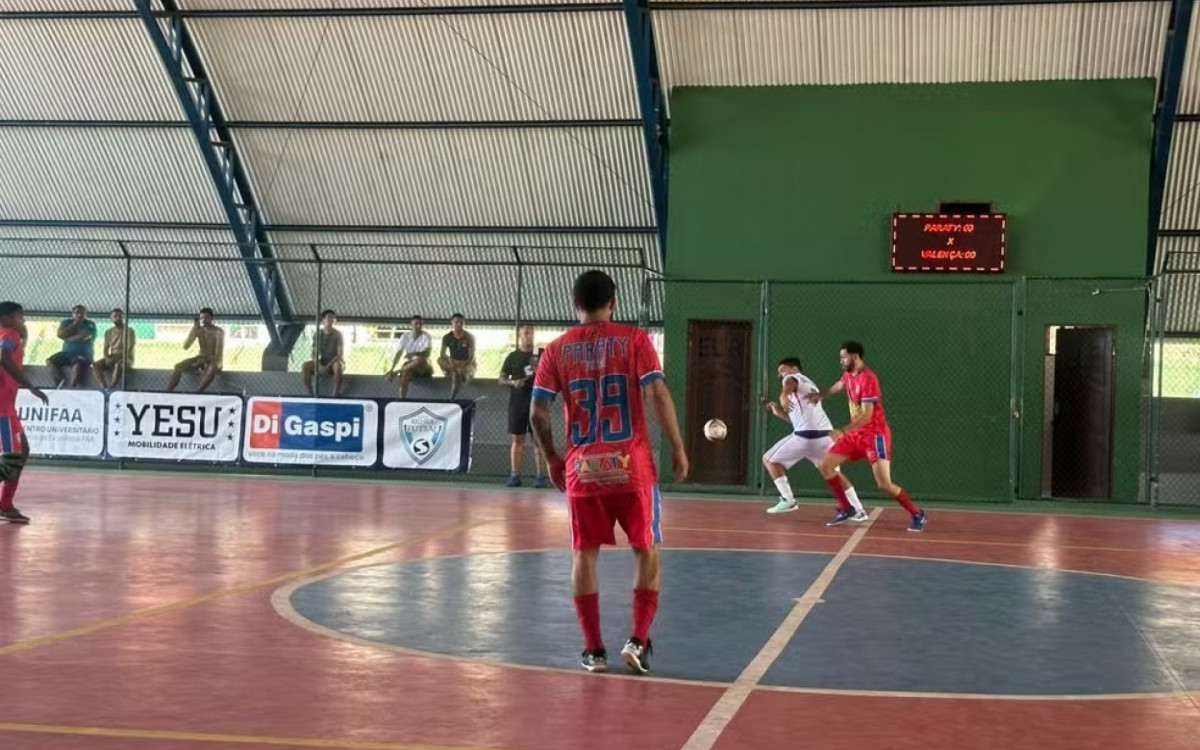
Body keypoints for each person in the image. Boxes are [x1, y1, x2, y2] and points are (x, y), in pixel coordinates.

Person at [530, 270, 688, 675]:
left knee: (584, 555)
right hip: (631, 466)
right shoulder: (635, 340)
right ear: (614, 302)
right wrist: (676, 446)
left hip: (583, 469)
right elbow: (656, 392)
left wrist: (551, 456)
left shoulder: (556, 350)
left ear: (574, 303)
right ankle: (637, 639)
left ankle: (594, 650)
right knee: (647, 549)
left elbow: (538, 412)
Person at [807, 341, 927, 531]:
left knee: (884, 484)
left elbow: (866, 416)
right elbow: (840, 384)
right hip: (856, 435)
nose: (841, 361)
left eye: (844, 357)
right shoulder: (848, 374)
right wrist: (821, 395)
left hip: (875, 436)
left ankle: (917, 514)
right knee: (825, 465)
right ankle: (847, 509)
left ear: (855, 357)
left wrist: (843, 431)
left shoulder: (868, 379)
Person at [762, 357, 866, 523]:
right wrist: (778, 411)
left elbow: (788, 386)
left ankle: (788, 499)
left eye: (782, 370)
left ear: (793, 368)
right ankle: (859, 510)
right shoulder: (810, 385)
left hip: (807, 437)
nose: (781, 375)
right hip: (824, 436)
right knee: (834, 473)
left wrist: (783, 396)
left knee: (769, 459)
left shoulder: (792, 378)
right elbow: (798, 422)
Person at [0, 302, 49, 524]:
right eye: (20, 316)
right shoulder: (9, 334)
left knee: (23, 451)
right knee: (12, 459)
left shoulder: (10, 333)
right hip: (2, 409)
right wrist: (30, 386)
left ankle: (6, 505)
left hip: (7, 406)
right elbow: (3, 357)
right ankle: (5, 505)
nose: (24, 321)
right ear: (8, 319)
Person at [499, 323, 547, 487]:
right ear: (520, 336)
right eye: (525, 334)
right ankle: (514, 476)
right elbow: (501, 379)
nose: (529, 336)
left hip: (538, 402)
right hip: (518, 402)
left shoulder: (541, 354)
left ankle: (541, 477)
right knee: (517, 439)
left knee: (538, 440)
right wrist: (514, 382)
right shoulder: (512, 356)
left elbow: (551, 374)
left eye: (531, 334)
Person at [166, 308, 224, 392]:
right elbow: (186, 346)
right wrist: (193, 331)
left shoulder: (218, 332)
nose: (204, 320)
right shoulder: (199, 330)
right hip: (200, 358)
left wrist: (202, 361)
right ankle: (168, 391)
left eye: (206, 317)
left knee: (212, 367)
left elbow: (218, 354)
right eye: (202, 318)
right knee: (178, 366)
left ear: (211, 318)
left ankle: (199, 392)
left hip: (214, 360)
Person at [46, 304, 97, 388]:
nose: (79, 315)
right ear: (73, 314)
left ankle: (72, 387)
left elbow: (83, 336)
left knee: (78, 363)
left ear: (85, 314)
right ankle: (59, 381)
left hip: (83, 354)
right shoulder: (66, 322)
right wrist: (74, 325)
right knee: (49, 361)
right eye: (77, 313)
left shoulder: (90, 324)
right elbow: (60, 334)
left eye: (82, 313)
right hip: (67, 353)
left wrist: (66, 339)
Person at [385, 316, 433, 399]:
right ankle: (402, 399)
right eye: (416, 324)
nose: (418, 326)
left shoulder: (426, 336)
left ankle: (397, 372)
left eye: (420, 324)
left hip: (423, 365)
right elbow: (399, 353)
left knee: (419, 360)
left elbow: (427, 353)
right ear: (411, 325)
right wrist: (392, 368)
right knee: (405, 375)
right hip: (410, 365)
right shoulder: (405, 336)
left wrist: (412, 354)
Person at [302, 309, 344, 397]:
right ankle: (310, 394)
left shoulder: (338, 334)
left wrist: (328, 366)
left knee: (338, 366)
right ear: (323, 320)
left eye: (332, 318)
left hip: (334, 361)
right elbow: (314, 352)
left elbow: (339, 354)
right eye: (328, 317)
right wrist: (319, 365)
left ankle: (335, 394)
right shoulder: (318, 334)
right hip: (322, 361)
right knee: (305, 365)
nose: (331, 320)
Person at [92, 308, 136, 389]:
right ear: (111, 319)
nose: (118, 318)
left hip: (126, 357)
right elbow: (106, 348)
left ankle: (112, 387)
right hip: (113, 356)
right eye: (115, 316)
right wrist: (107, 357)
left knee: (118, 365)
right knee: (95, 365)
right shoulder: (108, 332)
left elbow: (130, 347)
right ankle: (103, 386)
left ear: (123, 317)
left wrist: (120, 357)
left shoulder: (129, 331)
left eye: (120, 316)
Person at [438, 313, 476, 399]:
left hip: (465, 362)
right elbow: (442, 354)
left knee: (461, 372)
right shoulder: (447, 337)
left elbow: (471, 356)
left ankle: (463, 375)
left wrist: (464, 364)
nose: (459, 324)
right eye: (456, 322)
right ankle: (455, 372)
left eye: (461, 322)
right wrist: (449, 359)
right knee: (439, 360)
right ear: (452, 323)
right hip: (453, 362)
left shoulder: (469, 337)